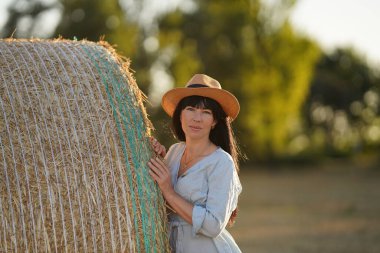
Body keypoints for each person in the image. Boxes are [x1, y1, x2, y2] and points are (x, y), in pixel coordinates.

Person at [148, 74, 242, 253]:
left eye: (206, 112)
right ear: (180, 114)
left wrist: (169, 191)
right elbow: (157, 200)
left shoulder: (222, 163)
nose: (197, 118)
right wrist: (152, 157)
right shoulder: (174, 152)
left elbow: (214, 225)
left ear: (214, 121)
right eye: (190, 109)